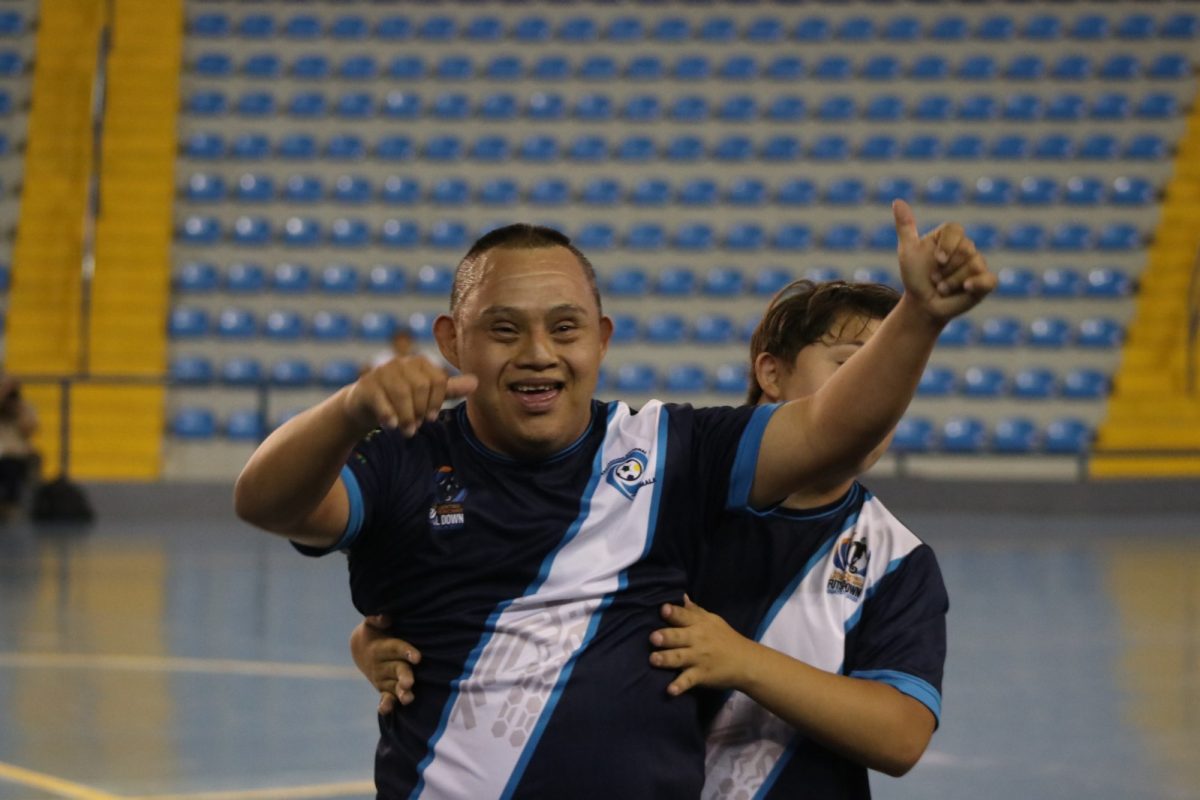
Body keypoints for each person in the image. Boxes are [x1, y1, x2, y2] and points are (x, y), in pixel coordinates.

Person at [235, 201, 993, 799]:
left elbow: (830, 430)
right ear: (454, 341)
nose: (538, 352)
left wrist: (919, 318)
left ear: (600, 339)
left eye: (564, 328)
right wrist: (346, 412)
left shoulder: (670, 454)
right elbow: (266, 503)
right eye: (505, 329)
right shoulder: (402, 457)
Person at [351, 280, 947, 800]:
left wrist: (745, 662)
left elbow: (900, 735)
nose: (881, 397)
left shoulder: (896, 559)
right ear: (770, 373)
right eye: (854, 368)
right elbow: (511, 589)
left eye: (896, 377)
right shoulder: (663, 498)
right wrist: (379, 643)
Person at [0, 374, 38, 511]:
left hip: (15, 457)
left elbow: (29, 429)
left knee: (10, 467)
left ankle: (10, 505)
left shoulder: (24, 409)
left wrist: (18, 410)